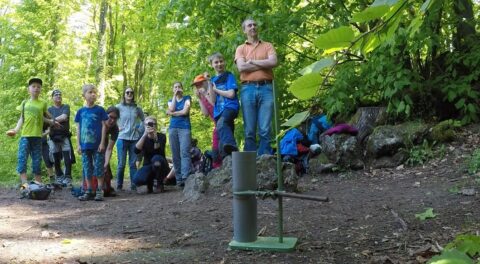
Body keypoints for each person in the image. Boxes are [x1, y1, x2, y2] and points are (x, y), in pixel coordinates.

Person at [235, 18, 278, 156]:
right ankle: (250, 161)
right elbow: (241, 67)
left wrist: (252, 62)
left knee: (265, 128)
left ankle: (265, 159)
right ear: (244, 30)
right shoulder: (241, 48)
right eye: (249, 25)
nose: (253, 27)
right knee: (249, 129)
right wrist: (263, 63)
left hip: (266, 88)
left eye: (254, 25)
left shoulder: (267, 46)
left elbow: (273, 62)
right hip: (248, 89)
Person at [6, 78, 58, 184]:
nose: (36, 88)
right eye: (33, 86)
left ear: (40, 89)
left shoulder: (42, 103)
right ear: (28, 89)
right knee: (22, 159)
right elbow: (22, 118)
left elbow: (43, 117)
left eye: (38, 87)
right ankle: (24, 185)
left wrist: (53, 122)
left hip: (38, 137)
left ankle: (38, 184)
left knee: (37, 161)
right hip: (25, 136)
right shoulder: (24, 103)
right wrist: (16, 130)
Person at [75, 84, 108, 201]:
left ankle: (99, 190)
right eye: (90, 92)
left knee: (98, 167)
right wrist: (78, 144)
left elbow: (104, 126)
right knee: (87, 167)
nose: (93, 94)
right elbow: (78, 129)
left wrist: (102, 143)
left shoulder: (100, 110)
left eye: (94, 92)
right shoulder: (80, 112)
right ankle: (89, 190)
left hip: (97, 145)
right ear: (84, 95)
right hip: (84, 145)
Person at [207, 52, 240, 156]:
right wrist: (209, 83)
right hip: (219, 111)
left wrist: (217, 90)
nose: (219, 64)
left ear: (224, 62)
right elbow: (212, 101)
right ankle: (228, 160)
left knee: (222, 124)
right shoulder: (212, 80)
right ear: (212, 65)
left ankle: (234, 149)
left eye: (221, 61)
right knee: (222, 142)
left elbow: (231, 94)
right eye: (216, 62)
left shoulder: (229, 76)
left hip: (230, 107)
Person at [115, 86, 145, 191]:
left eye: (131, 93)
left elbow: (144, 120)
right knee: (121, 164)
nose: (129, 94)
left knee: (133, 164)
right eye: (127, 92)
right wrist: (116, 127)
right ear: (124, 94)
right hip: (122, 138)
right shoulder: (118, 107)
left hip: (134, 139)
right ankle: (119, 186)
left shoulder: (137, 108)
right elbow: (110, 118)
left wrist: (140, 130)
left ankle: (134, 185)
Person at [192, 73, 222, 168]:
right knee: (215, 148)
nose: (198, 87)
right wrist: (200, 99)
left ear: (205, 82)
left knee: (222, 147)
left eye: (200, 83)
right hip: (216, 124)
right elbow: (205, 114)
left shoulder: (212, 90)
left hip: (222, 121)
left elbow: (214, 104)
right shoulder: (203, 97)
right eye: (196, 85)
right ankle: (217, 167)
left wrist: (205, 93)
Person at [133, 116, 169, 193]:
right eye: (147, 124)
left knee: (156, 159)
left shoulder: (161, 136)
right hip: (148, 165)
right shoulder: (143, 138)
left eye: (153, 124)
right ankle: (149, 185)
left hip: (161, 165)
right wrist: (145, 135)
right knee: (136, 179)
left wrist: (155, 138)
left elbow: (159, 151)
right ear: (144, 126)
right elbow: (136, 151)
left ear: (156, 125)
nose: (150, 126)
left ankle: (160, 184)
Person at [166, 82, 192, 187]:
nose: (177, 89)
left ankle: (186, 177)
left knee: (185, 152)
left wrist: (172, 114)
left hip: (185, 128)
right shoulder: (170, 101)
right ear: (173, 90)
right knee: (175, 154)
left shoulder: (187, 98)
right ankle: (179, 179)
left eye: (179, 87)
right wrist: (174, 96)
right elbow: (171, 108)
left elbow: (185, 112)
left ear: (182, 89)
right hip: (173, 128)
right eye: (175, 87)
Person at [47, 89, 74, 187]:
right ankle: (59, 176)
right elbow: (46, 122)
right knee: (55, 156)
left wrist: (52, 121)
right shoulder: (49, 109)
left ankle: (68, 177)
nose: (58, 96)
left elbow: (64, 117)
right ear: (52, 98)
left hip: (64, 136)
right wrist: (51, 121)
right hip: (53, 136)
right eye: (56, 95)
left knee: (68, 156)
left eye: (60, 94)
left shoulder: (65, 106)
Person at [103, 106, 120, 197]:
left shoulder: (115, 129)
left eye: (115, 118)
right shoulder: (98, 122)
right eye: (110, 117)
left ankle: (107, 186)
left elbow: (109, 148)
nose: (112, 120)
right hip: (93, 141)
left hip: (105, 142)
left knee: (106, 164)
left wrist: (106, 163)